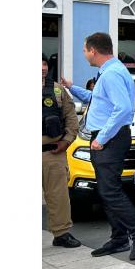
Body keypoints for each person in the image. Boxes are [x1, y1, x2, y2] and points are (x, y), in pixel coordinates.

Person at [62, 32, 135, 260]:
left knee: (110, 191)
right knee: (106, 190)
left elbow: (122, 109)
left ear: (93, 50)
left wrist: (100, 139)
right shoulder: (111, 72)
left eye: (84, 50)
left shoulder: (111, 74)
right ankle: (119, 238)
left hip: (109, 140)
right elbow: (98, 100)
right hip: (110, 138)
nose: (84, 54)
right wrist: (73, 88)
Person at [42, 55, 82, 248]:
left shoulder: (57, 90)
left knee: (58, 195)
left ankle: (61, 233)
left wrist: (67, 140)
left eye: (44, 64)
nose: (42, 68)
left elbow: (71, 118)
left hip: (52, 153)